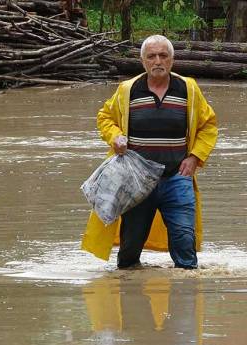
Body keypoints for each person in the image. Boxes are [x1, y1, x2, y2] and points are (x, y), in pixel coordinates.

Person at [82, 34, 218, 270]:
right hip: (136, 181)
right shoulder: (128, 90)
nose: (158, 61)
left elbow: (208, 125)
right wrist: (115, 137)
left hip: (178, 177)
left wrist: (195, 157)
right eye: (151, 56)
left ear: (172, 60)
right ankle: (128, 290)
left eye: (163, 56)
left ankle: (186, 292)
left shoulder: (189, 89)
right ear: (143, 61)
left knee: (185, 240)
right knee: (130, 246)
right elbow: (105, 117)